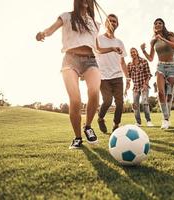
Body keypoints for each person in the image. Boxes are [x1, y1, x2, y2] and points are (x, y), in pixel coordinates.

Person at [36, 0, 122, 149]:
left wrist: (112, 48)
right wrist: (43, 33)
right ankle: (77, 138)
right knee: (75, 100)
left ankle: (88, 126)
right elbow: (51, 29)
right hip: (70, 60)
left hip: (91, 60)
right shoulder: (66, 16)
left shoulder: (94, 23)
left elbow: (97, 48)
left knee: (95, 92)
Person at [140, 18, 174, 129]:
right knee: (161, 93)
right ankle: (165, 119)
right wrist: (143, 50)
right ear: (154, 26)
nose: (158, 24)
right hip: (160, 67)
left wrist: (163, 39)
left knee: (169, 95)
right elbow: (151, 58)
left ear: (163, 25)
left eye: (160, 23)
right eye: (156, 23)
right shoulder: (153, 40)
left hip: (172, 67)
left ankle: (167, 117)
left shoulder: (169, 35)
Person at [95, 14, 130, 133]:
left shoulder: (119, 42)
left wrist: (128, 78)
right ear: (105, 23)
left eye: (114, 21)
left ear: (117, 25)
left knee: (120, 102)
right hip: (103, 76)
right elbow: (94, 55)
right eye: (110, 21)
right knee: (107, 101)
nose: (112, 23)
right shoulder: (98, 39)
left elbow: (123, 62)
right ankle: (100, 118)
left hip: (117, 76)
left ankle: (116, 124)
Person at [125, 48, 154, 127]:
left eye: (134, 52)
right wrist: (126, 89)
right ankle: (138, 122)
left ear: (137, 52)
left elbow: (148, 74)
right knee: (135, 105)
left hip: (144, 85)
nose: (133, 53)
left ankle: (148, 121)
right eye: (131, 52)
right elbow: (128, 78)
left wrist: (145, 84)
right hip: (136, 87)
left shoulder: (144, 61)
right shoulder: (129, 65)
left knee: (145, 102)